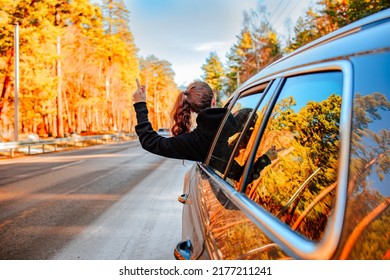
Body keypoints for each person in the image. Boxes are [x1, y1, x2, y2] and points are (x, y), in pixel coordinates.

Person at [133, 78, 279, 178]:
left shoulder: (195, 142)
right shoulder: (242, 120)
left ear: (190, 109)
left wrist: (140, 104)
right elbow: (241, 173)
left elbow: (150, 142)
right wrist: (265, 157)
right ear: (214, 101)